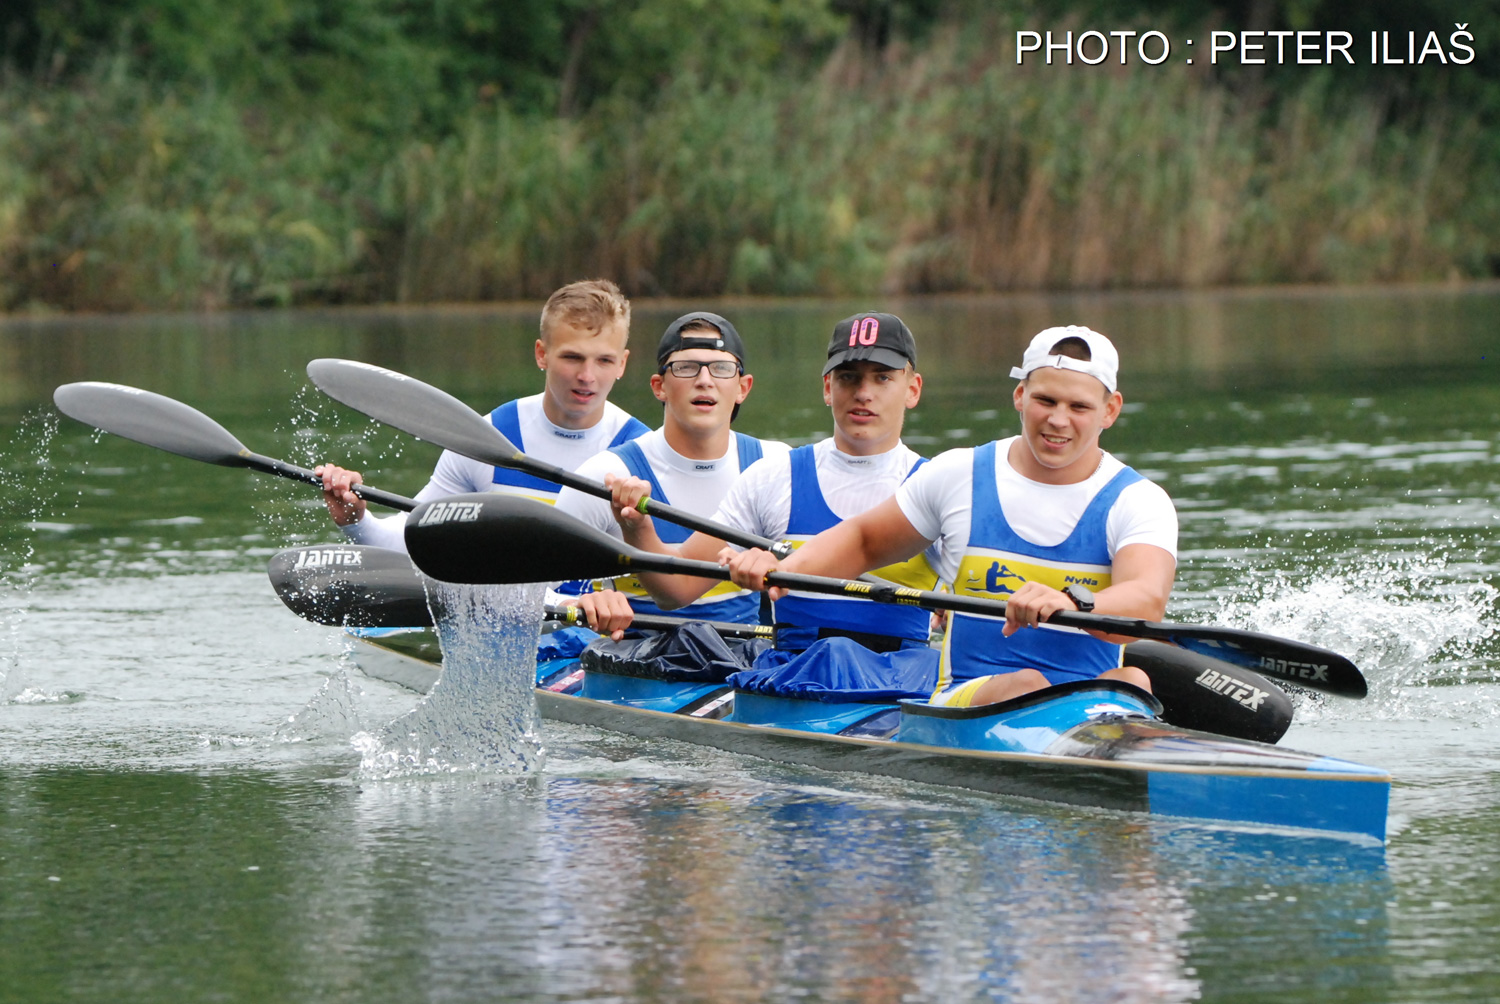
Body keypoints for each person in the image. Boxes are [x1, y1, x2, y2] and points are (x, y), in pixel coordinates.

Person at [726, 325, 1178, 708]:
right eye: (1046, 401)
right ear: (1020, 396)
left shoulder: (1138, 499)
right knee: (1028, 685)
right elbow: (865, 540)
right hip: (965, 698)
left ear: (1110, 410)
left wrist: (1074, 603)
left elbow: (1146, 597)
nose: (1058, 420)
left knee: (1132, 683)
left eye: (1078, 407)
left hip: (1085, 700)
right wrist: (781, 572)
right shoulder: (960, 474)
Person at [578, 312, 939, 695]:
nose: (864, 392)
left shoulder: (941, 485)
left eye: (882, 377)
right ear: (827, 388)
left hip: (905, 680)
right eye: (849, 377)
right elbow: (676, 590)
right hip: (792, 676)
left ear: (912, 389)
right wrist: (637, 528)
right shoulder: (773, 477)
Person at [315, 279, 646, 551]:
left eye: (603, 361)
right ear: (541, 354)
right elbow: (406, 544)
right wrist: (355, 520)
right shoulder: (485, 438)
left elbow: (670, 585)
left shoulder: (642, 453)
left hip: (607, 630)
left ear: (622, 364)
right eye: (572, 358)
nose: (587, 376)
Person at [556, 312, 789, 625]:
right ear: (659, 386)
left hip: (741, 664)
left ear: (743, 388)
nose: (704, 380)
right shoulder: (608, 475)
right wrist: (581, 601)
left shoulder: (773, 467)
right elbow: (529, 589)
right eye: (686, 368)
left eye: (721, 368)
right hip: (631, 655)